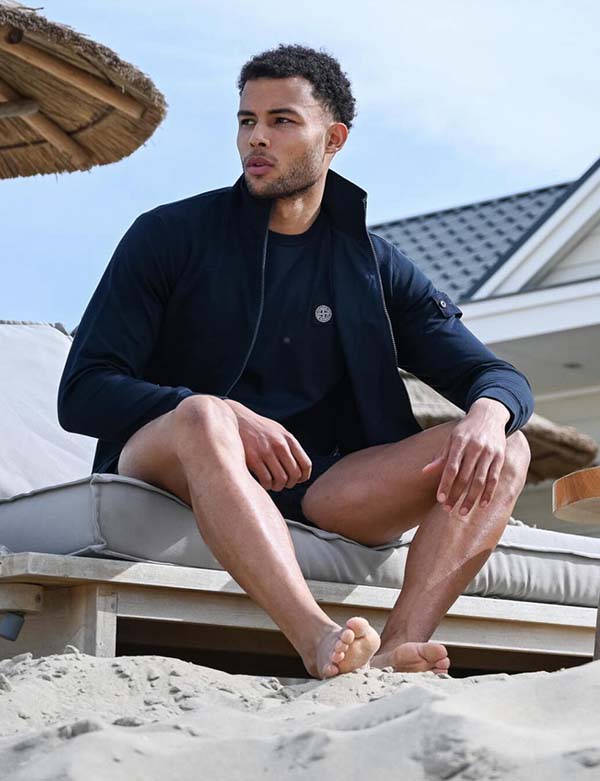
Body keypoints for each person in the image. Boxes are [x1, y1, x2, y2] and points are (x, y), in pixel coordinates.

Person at [58, 43, 533, 680]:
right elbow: (83, 392)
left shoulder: (374, 266)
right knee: (204, 416)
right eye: (247, 121)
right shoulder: (168, 235)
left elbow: (494, 375)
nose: (257, 138)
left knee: (508, 444)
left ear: (333, 139)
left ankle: (398, 647)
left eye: (282, 121)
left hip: (323, 483)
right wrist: (223, 412)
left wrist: (488, 414)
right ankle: (315, 637)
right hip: (179, 459)